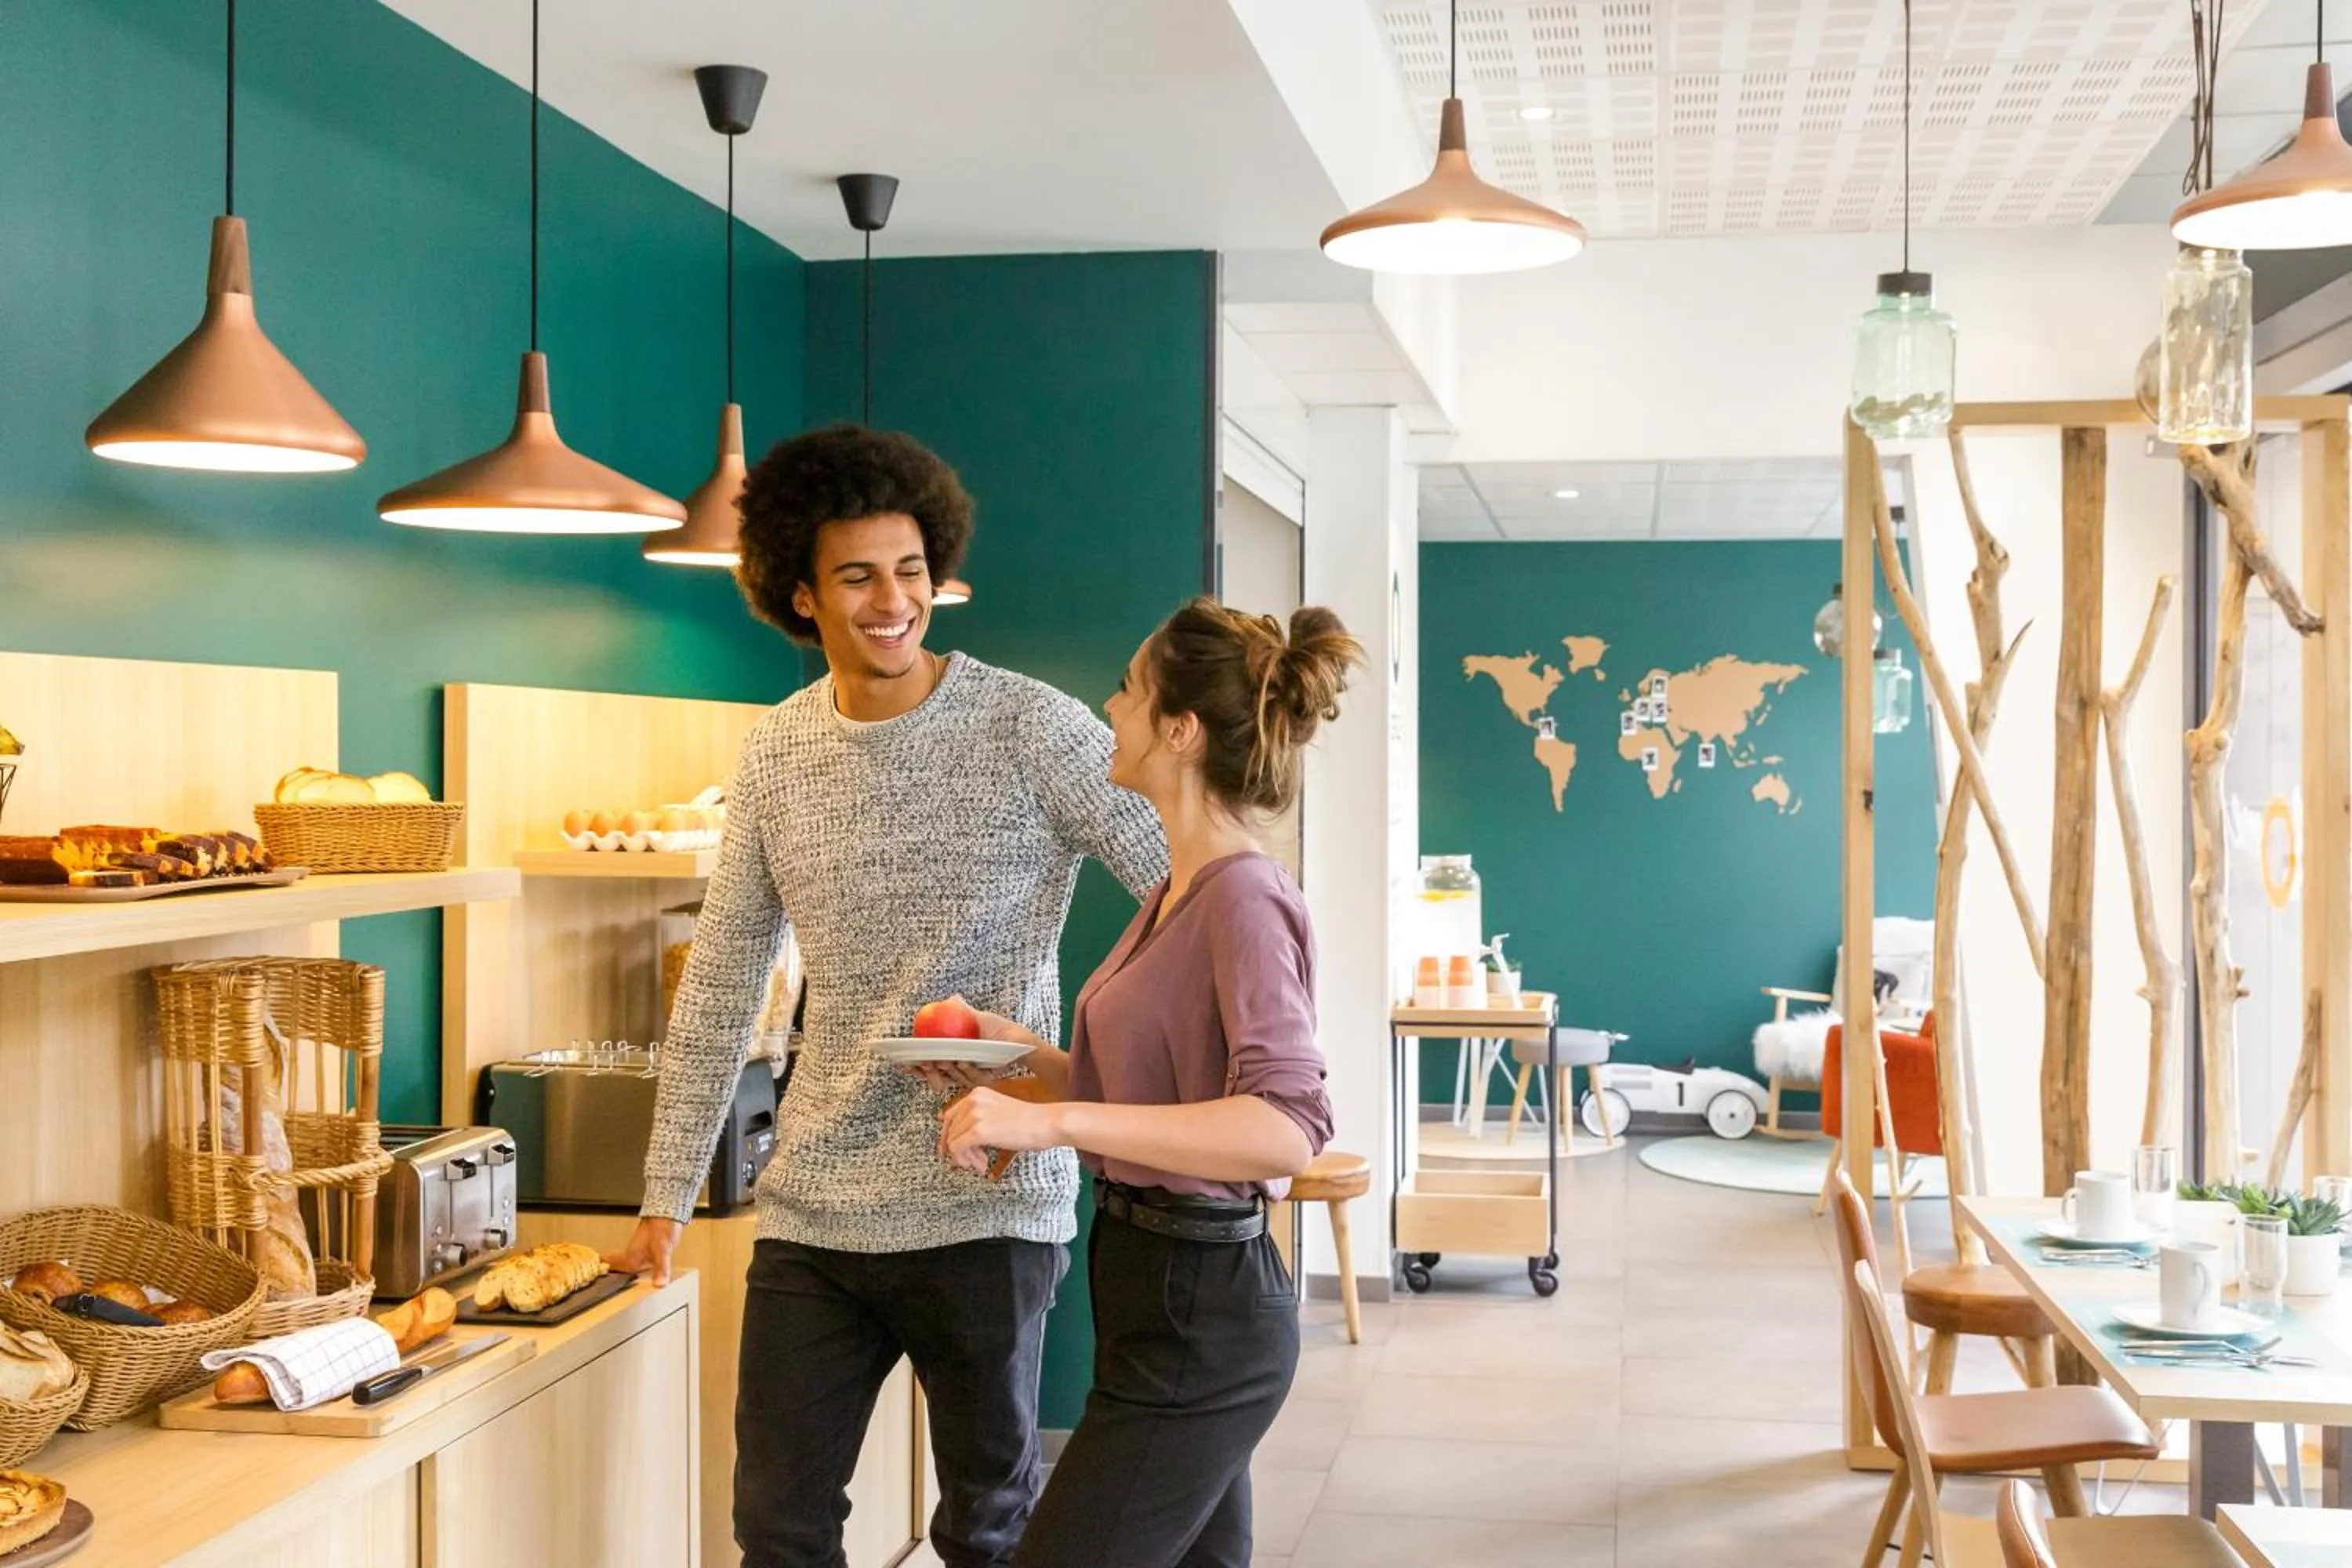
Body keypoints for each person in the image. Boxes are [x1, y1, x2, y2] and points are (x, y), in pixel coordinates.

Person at [607, 424, 1167, 1568]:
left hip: (987, 1198)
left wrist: (1091, 1077)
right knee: (778, 1526)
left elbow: (1189, 886)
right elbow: (720, 981)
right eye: (857, 575)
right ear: (800, 597)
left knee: (988, 1528)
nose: (892, 600)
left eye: (910, 571)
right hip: (817, 1203)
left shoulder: (1031, 726)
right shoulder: (774, 754)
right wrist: (665, 1194)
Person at [933, 597, 1357, 1568]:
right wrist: (1025, 1063)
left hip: (1203, 1309)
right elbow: (1165, 1096)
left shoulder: (1244, 897)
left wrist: (1053, 1124)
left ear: (1180, 728)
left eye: (1130, 687)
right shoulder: (1178, 887)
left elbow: (1287, 1124)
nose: (1109, 705)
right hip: (1153, 1288)